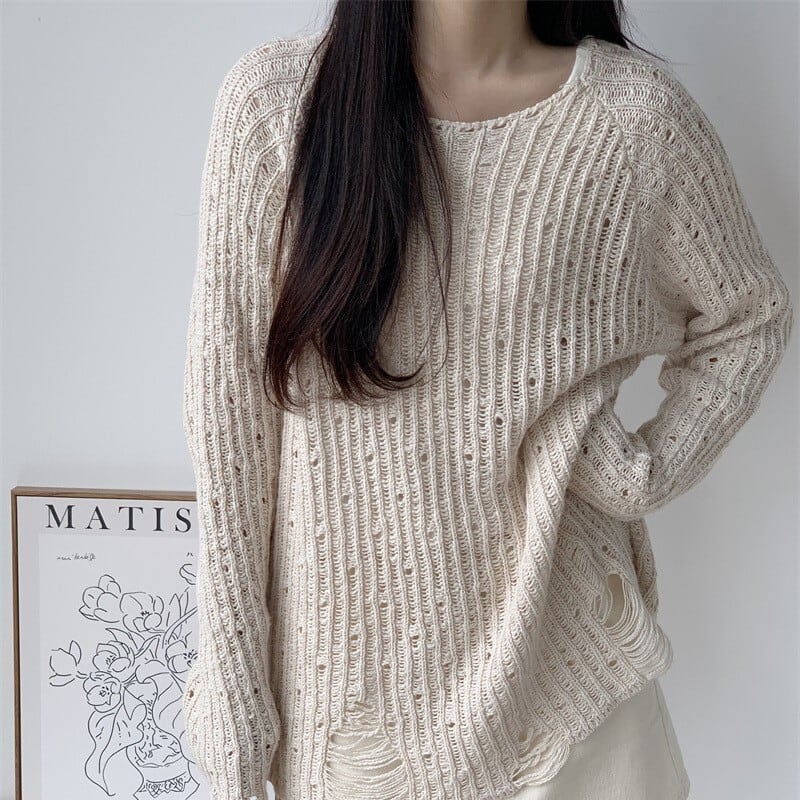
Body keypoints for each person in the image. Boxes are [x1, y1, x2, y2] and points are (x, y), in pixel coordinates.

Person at [179, 2, 794, 799]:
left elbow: (748, 315)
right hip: (356, 732)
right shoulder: (276, 108)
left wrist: (645, 469)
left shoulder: (636, 124)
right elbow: (230, 421)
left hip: (576, 704)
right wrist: (233, 690)